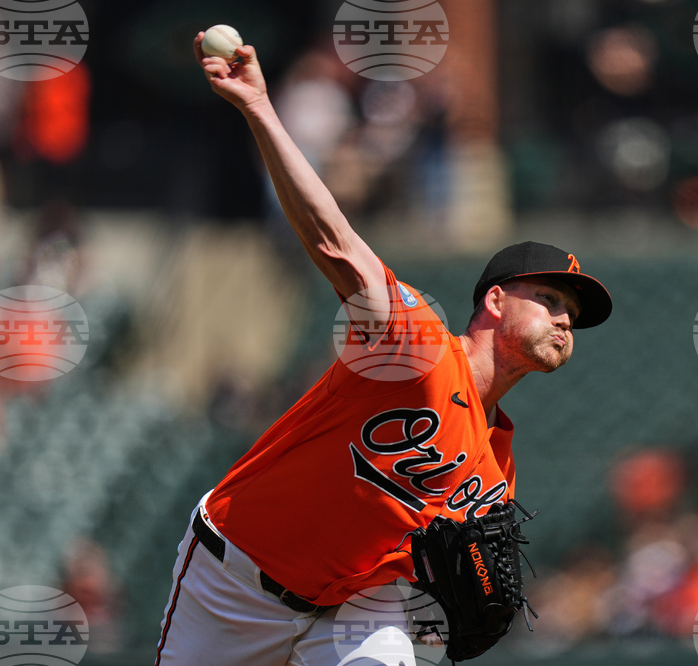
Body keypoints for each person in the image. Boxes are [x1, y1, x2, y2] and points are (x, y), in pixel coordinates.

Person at [154, 35, 613, 666]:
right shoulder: (416, 345)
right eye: (552, 299)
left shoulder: (495, 471)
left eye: (574, 313)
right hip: (235, 577)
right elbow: (334, 244)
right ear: (498, 301)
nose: (565, 318)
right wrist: (259, 108)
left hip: (353, 603)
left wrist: (436, 623)